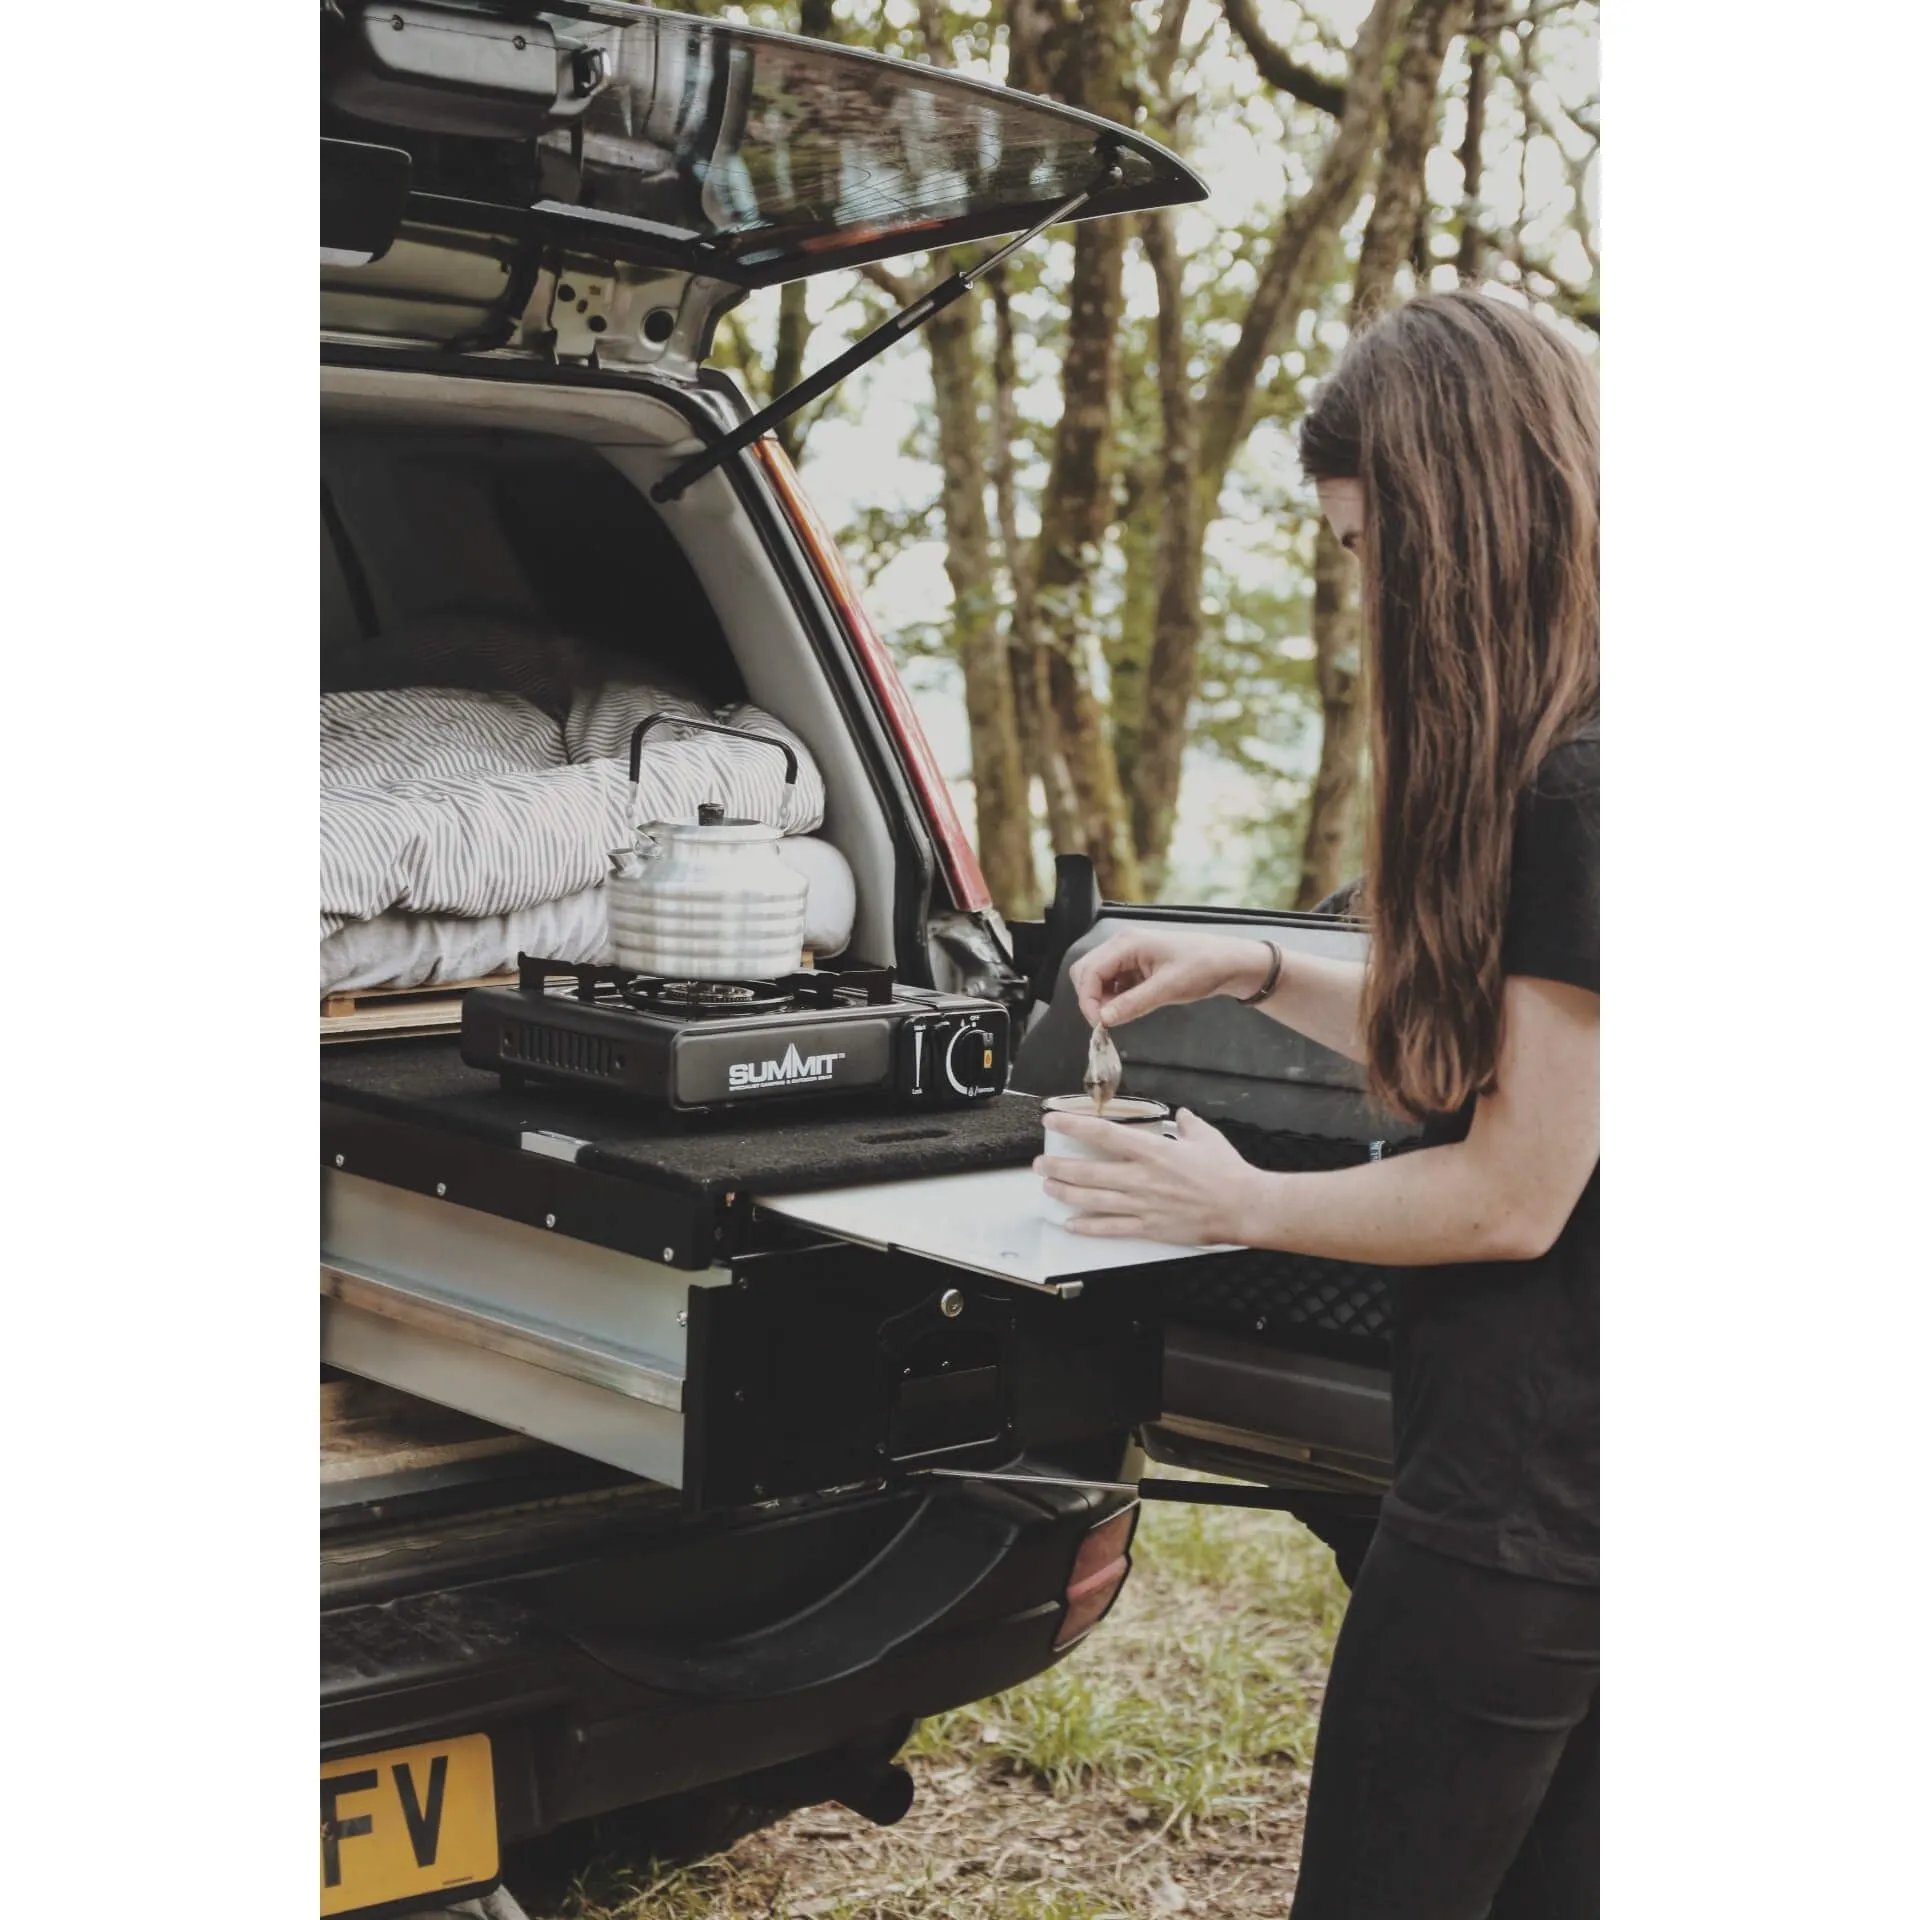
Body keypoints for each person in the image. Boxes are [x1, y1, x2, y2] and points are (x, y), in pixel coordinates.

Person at [1036, 290, 1599, 1919]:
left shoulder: (1572, 791)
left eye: (1368, 554)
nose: (1361, 598)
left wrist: (1239, 1205)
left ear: (1454, 533)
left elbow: (1514, 1189)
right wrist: (1247, 969)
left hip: (1521, 1512)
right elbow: (1521, 1047)